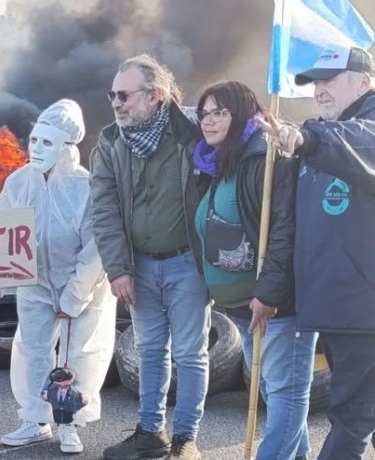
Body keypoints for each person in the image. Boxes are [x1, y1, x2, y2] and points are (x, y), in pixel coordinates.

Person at [89, 54, 210, 460]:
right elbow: (103, 209)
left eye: (124, 94)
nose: (116, 103)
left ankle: (185, 439)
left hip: (187, 264)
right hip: (137, 267)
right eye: (112, 95)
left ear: (156, 95)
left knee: (191, 353)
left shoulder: (193, 132)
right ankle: (150, 433)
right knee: (150, 350)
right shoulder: (109, 142)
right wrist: (118, 268)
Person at [258, 45, 375, 460]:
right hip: (340, 307)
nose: (319, 90)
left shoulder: (355, 131)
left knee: (352, 420)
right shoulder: (327, 135)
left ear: (364, 82)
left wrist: (305, 136)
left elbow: (359, 143)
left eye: (329, 80)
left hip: (363, 308)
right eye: (314, 83)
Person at [189, 81, 314, 460]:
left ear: (241, 113)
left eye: (219, 112)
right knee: (277, 389)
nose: (208, 121)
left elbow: (284, 231)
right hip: (243, 304)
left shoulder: (266, 159)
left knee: (285, 391)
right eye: (204, 113)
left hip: (275, 304)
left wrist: (269, 295)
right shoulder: (214, 161)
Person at [0, 99, 116, 454]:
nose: (36, 149)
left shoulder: (85, 187)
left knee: (79, 355)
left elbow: (96, 249)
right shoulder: (18, 183)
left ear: (66, 147)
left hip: (81, 285)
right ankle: (34, 420)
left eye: (46, 143)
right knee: (32, 349)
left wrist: (73, 297)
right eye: (33, 140)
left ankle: (69, 423)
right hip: (34, 282)